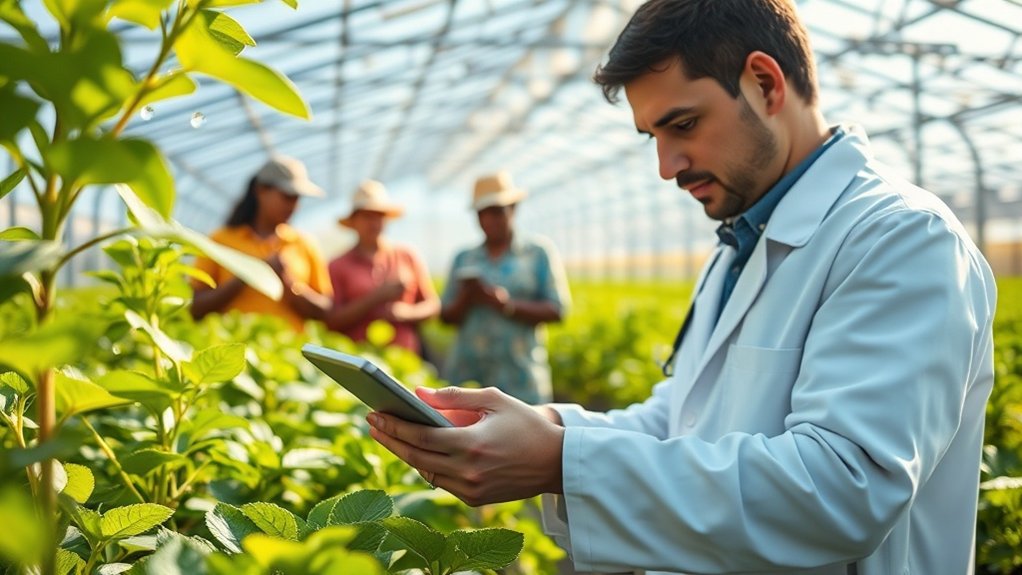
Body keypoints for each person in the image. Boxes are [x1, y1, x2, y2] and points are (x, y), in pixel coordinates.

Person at [365, 1, 998, 574]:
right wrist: (549, 427)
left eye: (684, 125)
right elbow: (683, 419)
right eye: (654, 138)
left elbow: (843, 490)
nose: (667, 167)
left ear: (765, 83)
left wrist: (560, 459)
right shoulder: (740, 243)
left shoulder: (901, 239)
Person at [438, 171, 571, 405]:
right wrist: (467, 297)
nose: (489, 220)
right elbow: (445, 317)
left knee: (526, 428)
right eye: (482, 213)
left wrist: (506, 305)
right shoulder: (464, 258)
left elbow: (557, 309)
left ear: (513, 209)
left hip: (520, 378)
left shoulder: (537, 253)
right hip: (469, 376)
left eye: (497, 211)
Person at [191, 156, 332, 331]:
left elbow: (324, 311)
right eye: (287, 196)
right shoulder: (221, 240)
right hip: (236, 343)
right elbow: (195, 307)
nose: (293, 206)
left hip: (290, 347)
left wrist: (288, 282)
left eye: (297, 198)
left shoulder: (304, 244)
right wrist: (250, 274)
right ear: (261, 190)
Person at [326, 180, 439, 355]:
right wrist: (377, 297)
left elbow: (432, 305)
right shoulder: (337, 266)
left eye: (379, 216)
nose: (374, 222)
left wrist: (405, 313)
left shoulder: (406, 256)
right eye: (367, 216)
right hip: (359, 356)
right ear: (354, 221)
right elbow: (332, 320)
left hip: (404, 357)